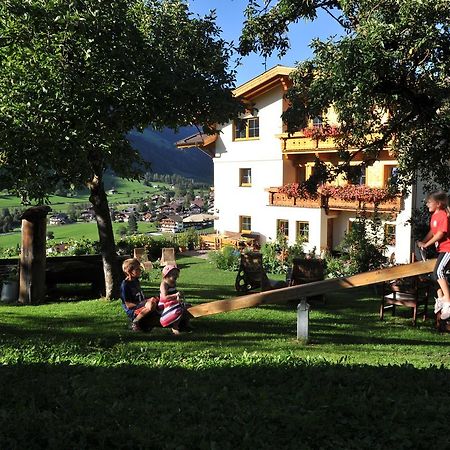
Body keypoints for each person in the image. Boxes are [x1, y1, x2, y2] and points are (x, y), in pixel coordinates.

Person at [417, 191, 450, 320]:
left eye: (429, 202)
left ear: (438, 204)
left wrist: (426, 245)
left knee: (440, 272)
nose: (427, 204)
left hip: (448, 249)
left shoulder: (443, 215)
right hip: (442, 249)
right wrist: (424, 241)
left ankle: (448, 301)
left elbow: (441, 234)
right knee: (434, 275)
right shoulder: (435, 216)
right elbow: (432, 231)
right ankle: (441, 299)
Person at [120, 258, 159, 331]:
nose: (140, 270)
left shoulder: (135, 280)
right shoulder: (125, 285)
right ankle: (135, 322)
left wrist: (149, 299)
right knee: (151, 304)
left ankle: (148, 322)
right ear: (130, 272)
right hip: (133, 310)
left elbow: (140, 297)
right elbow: (129, 305)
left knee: (156, 300)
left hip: (141, 306)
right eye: (137, 269)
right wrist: (145, 302)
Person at [159, 264, 192, 334]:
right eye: (174, 274)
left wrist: (179, 293)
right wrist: (176, 295)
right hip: (164, 303)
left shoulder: (173, 282)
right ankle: (174, 327)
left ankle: (186, 324)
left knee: (187, 307)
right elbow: (164, 297)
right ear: (166, 275)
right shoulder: (164, 284)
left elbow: (174, 292)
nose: (176, 276)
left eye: (177, 274)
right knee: (178, 310)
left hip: (173, 302)